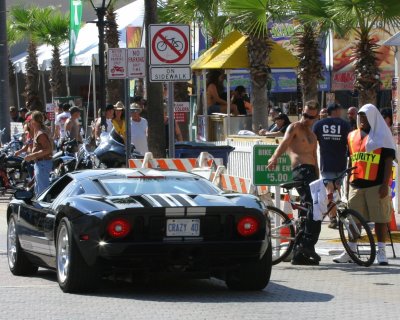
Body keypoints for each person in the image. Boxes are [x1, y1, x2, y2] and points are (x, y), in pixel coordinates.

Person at [333, 104, 396, 265]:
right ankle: (351, 250)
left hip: (376, 185)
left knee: (380, 219)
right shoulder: (351, 135)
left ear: (373, 118)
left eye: (365, 117)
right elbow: (351, 159)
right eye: (360, 117)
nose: (362, 120)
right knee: (353, 220)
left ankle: (382, 252)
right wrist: (347, 185)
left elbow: (389, 161)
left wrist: (384, 184)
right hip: (356, 184)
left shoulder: (382, 136)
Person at [267, 100, 321, 265]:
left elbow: (314, 158)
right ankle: (306, 244)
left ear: (316, 117)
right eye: (304, 115)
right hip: (301, 170)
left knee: (313, 210)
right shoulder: (295, 127)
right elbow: (284, 143)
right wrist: (274, 158)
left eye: (310, 117)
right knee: (313, 205)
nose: (306, 119)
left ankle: (300, 254)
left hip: (311, 172)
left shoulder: (313, 135)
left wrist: (319, 178)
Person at [313, 103, 351, 229]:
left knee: (330, 191)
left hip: (326, 163)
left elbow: (312, 141)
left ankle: (333, 218)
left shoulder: (319, 124)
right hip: (340, 163)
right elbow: (350, 142)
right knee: (336, 190)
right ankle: (338, 216)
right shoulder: (345, 124)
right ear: (336, 111)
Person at [23, 111, 53, 195]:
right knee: (38, 190)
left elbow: (48, 149)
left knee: (42, 191)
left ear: (34, 121)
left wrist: (32, 155)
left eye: (30, 119)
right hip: (40, 163)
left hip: (43, 163)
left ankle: (42, 207)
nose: (29, 122)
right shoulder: (37, 132)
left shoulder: (40, 133)